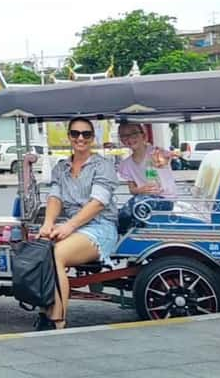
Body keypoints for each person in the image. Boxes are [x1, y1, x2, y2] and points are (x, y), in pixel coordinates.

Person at [36, 117, 119, 330]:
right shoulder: (61, 166)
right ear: (69, 137)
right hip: (73, 225)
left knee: (57, 254)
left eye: (86, 134)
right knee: (42, 250)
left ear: (93, 138)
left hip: (100, 227)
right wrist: (48, 223)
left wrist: (68, 226)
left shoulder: (103, 165)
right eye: (75, 133)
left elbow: (98, 203)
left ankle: (57, 320)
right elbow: (55, 198)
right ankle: (45, 309)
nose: (80, 138)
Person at [116, 123, 177, 230]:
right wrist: (140, 189)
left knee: (136, 205)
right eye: (124, 136)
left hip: (165, 200)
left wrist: (165, 157)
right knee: (126, 210)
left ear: (143, 135)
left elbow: (164, 158)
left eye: (134, 134)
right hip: (143, 199)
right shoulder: (125, 164)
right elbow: (132, 190)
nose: (130, 139)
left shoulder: (155, 152)